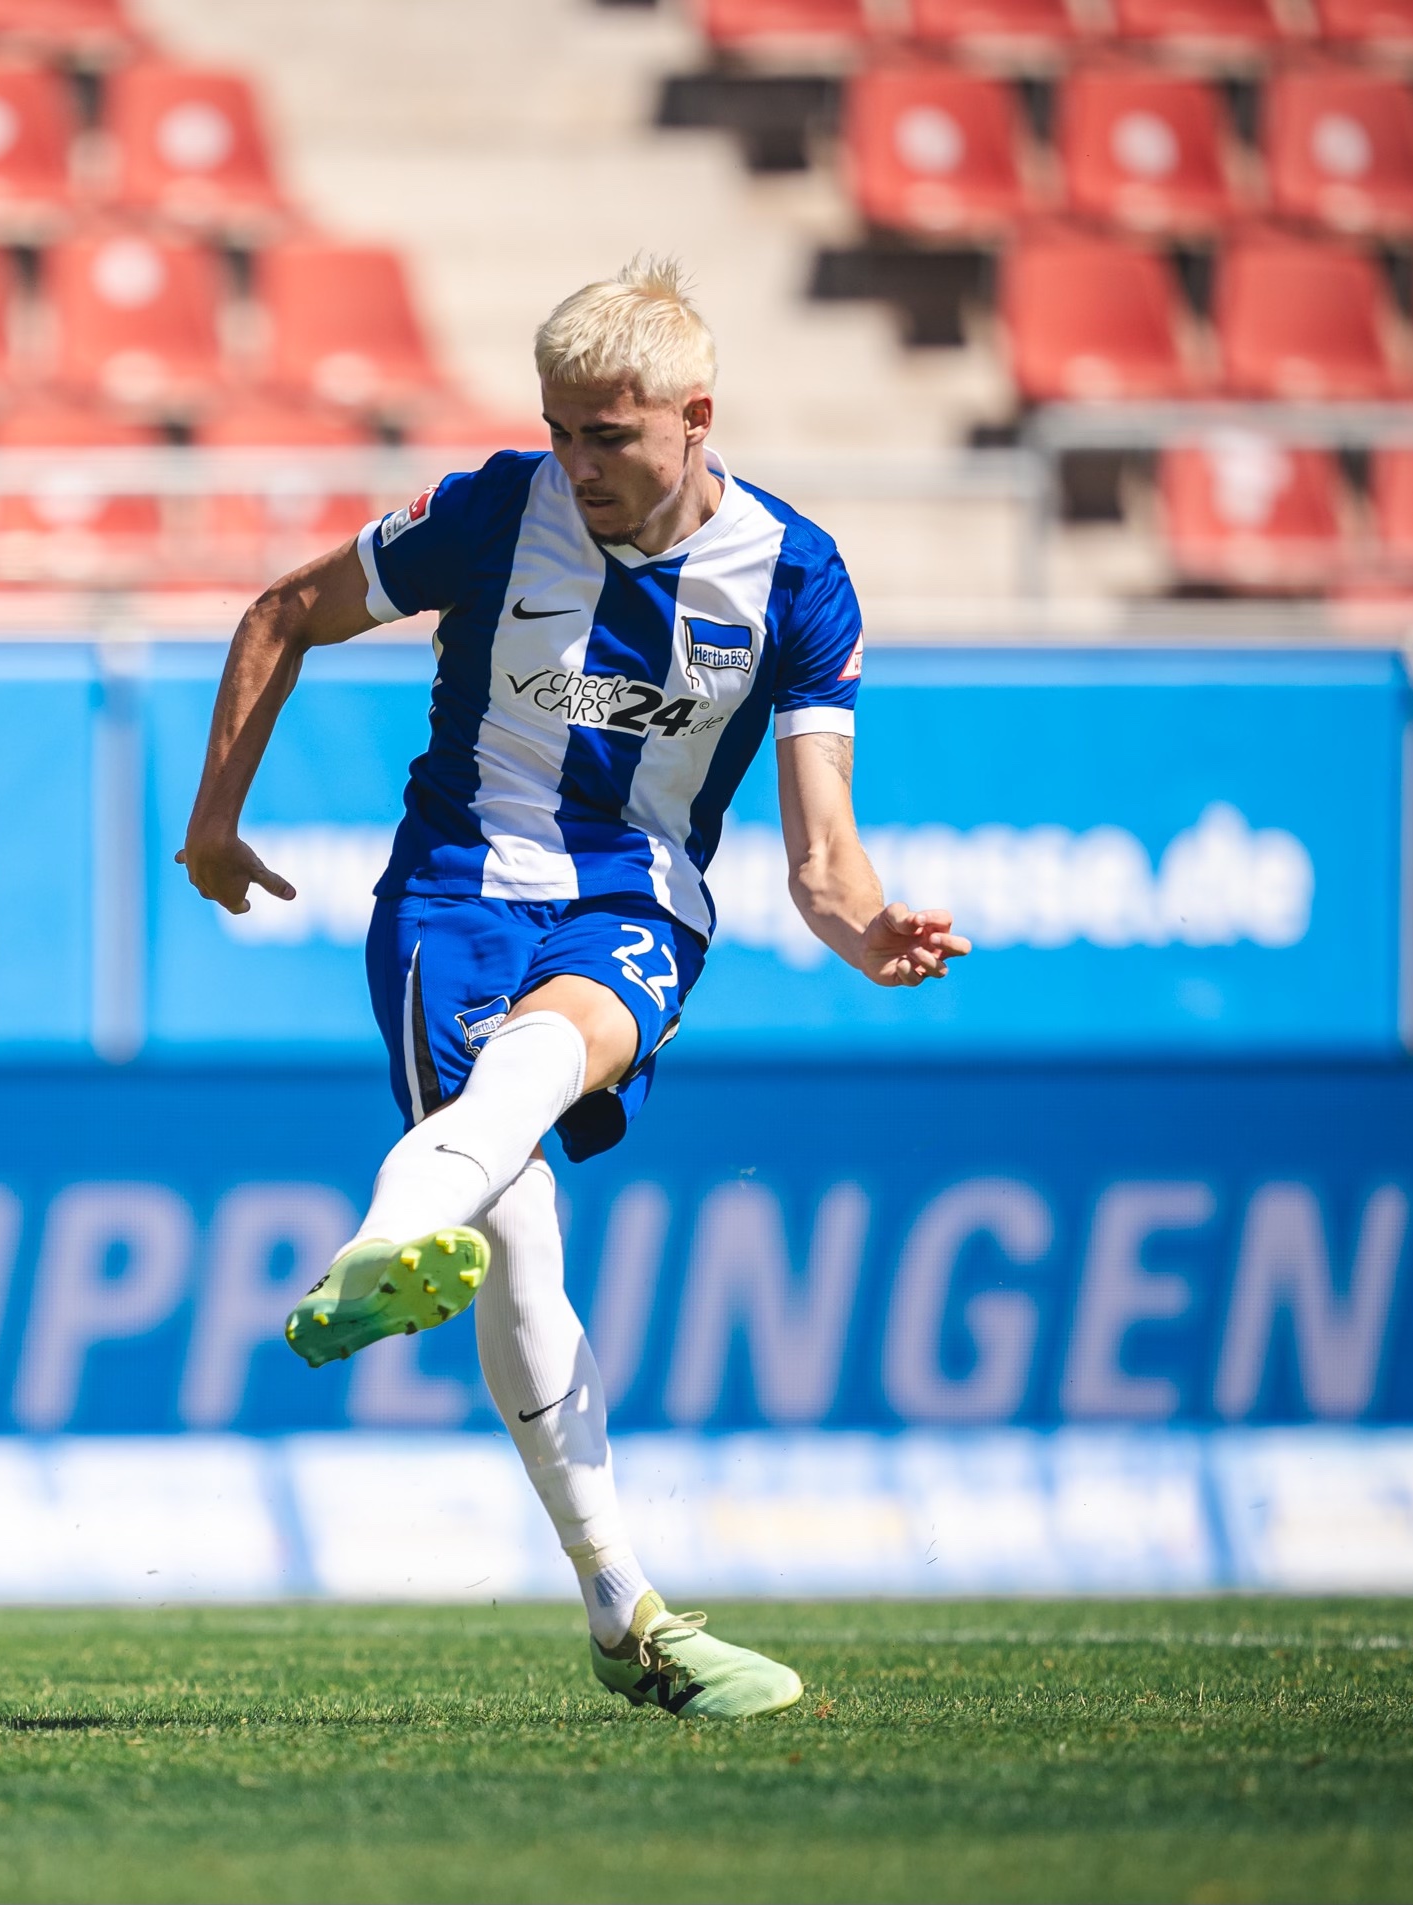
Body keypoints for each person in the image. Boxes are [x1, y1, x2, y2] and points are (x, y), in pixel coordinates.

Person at [177, 258, 970, 1720]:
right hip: (454, 891)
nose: (580, 464)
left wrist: (866, 932)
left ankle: (386, 1239)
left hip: (635, 893)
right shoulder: (491, 511)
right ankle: (628, 1615)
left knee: (535, 1072)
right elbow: (281, 613)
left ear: (694, 419)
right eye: (561, 430)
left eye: (610, 435)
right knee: (526, 1247)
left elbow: (824, 852)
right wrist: (215, 819)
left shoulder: (797, 577)